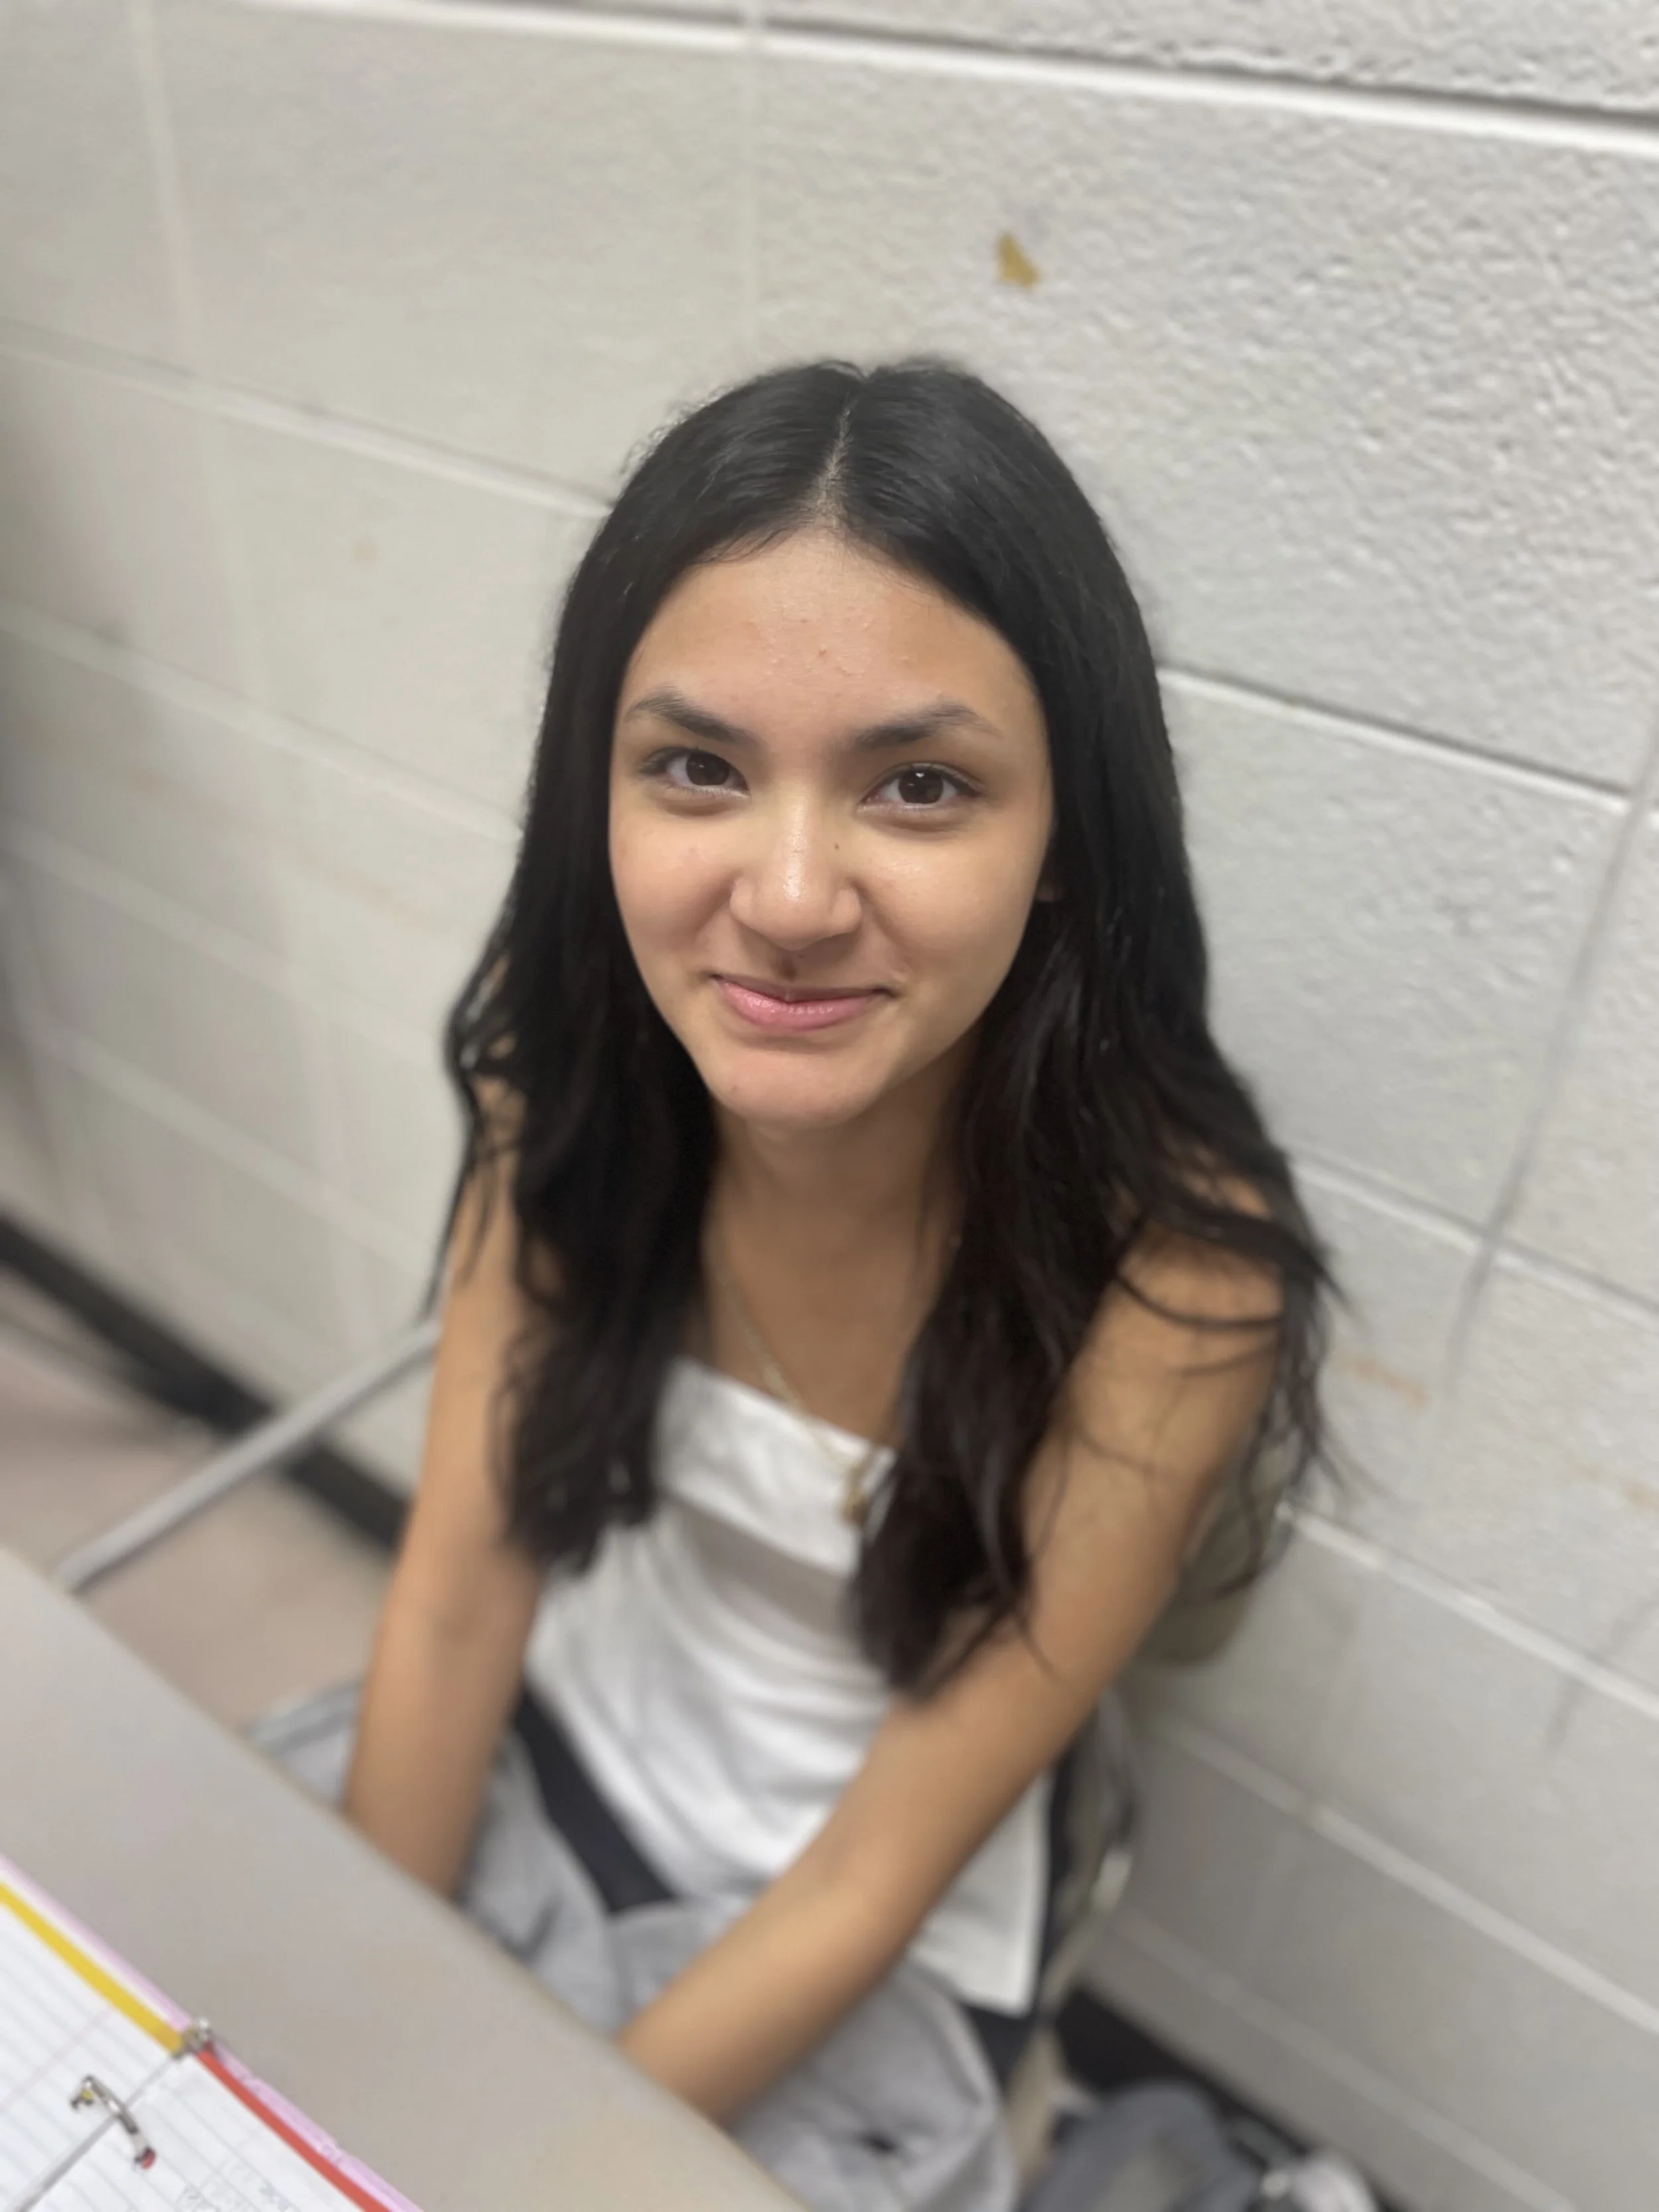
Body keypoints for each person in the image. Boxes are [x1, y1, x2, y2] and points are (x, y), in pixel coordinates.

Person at [340, 358, 1335, 2161]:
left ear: (1061, 845)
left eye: (919, 787)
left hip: (849, 1918)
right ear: (601, 796)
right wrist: (340, 2054)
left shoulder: (1174, 1289)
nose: (789, 896)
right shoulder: (558, 1097)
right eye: (697, 768)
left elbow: (874, 1869)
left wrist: (515, 2163)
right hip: (552, 1748)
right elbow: (455, 1595)